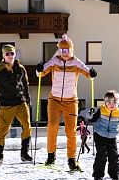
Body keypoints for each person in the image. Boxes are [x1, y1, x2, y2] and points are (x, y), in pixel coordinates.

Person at [36, 34, 97, 171]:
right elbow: (41, 74)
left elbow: (88, 74)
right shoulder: (54, 61)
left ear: (71, 50)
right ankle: (51, 157)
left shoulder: (76, 62)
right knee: (52, 127)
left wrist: (92, 73)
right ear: (59, 51)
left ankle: (71, 160)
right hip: (54, 100)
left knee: (71, 131)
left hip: (71, 101)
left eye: (67, 50)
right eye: (62, 50)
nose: (65, 53)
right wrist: (38, 69)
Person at [0, 44, 33, 166]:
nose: (10, 56)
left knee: (27, 127)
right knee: (2, 131)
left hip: (20, 103)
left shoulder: (21, 68)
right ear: (3, 56)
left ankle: (24, 153)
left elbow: (25, 84)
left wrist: (28, 99)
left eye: (12, 53)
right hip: (6, 105)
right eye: (7, 54)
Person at [86, 90, 119, 180]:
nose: (112, 104)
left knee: (114, 156)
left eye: (114, 102)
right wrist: (90, 116)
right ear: (105, 102)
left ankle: (114, 175)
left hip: (111, 137)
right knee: (102, 155)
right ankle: (98, 175)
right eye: (109, 102)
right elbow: (92, 119)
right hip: (100, 135)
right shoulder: (101, 110)